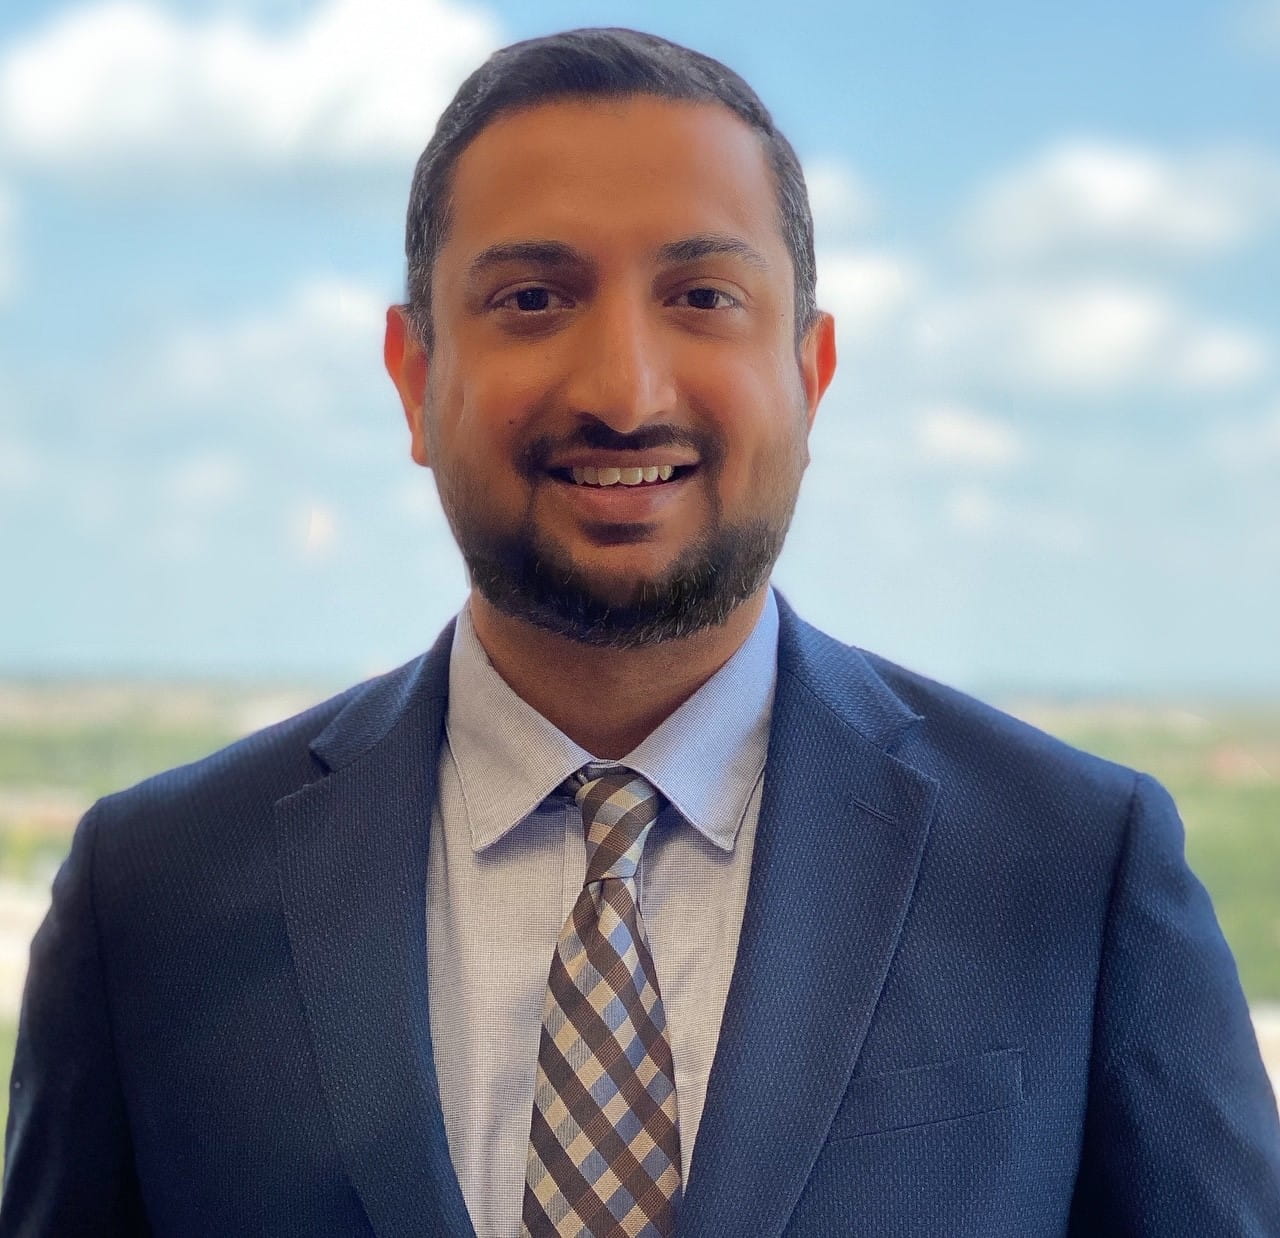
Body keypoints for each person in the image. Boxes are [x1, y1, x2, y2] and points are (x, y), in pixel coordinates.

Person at [3, 25, 1278, 1238]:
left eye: (703, 295)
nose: (623, 389)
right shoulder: (152, 897)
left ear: (810, 372)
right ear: (413, 374)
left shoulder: (1073, 869)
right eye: (532, 297)